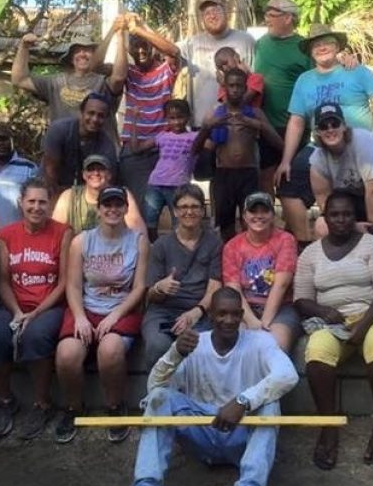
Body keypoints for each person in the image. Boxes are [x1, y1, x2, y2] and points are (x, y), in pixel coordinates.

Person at [130, 287, 299, 486]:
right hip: (202, 432)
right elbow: (154, 389)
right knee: (159, 399)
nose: (229, 320)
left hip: (241, 435)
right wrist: (175, 354)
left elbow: (288, 375)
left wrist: (242, 401)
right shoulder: (193, 344)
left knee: (270, 405)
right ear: (210, 315)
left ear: (241, 315)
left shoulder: (261, 342)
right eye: (221, 313)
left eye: (235, 314)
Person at [294, 190, 373, 470]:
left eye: (347, 214)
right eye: (335, 215)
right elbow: (301, 299)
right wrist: (324, 312)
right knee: (316, 355)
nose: (341, 220)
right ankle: (328, 428)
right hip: (332, 320)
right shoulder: (310, 253)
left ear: (356, 217)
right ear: (325, 218)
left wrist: (363, 325)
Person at [275, 24, 373, 250]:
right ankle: (306, 243)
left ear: (338, 46)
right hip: (319, 146)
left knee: (369, 189)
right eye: (317, 45)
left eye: (328, 43)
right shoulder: (304, 80)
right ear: (310, 51)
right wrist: (285, 160)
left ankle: (372, 237)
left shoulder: (355, 71)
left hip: (357, 148)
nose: (322, 48)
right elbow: (297, 120)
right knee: (287, 183)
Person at [54, 186, 150, 444]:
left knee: (109, 351)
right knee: (67, 355)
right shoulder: (82, 241)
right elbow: (73, 286)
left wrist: (115, 315)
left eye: (118, 204)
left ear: (126, 208)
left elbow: (140, 287)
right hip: (86, 307)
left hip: (122, 308)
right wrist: (81, 317)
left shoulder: (138, 241)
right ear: (98, 209)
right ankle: (74, 407)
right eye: (107, 204)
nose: (113, 209)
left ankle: (115, 406)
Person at [0, 178, 72, 440]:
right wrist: (17, 312)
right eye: (31, 201)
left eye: (42, 202)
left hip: (50, 305)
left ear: (50, 204)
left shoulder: (63, 232)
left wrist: (35, 313)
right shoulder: (6, 235)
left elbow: (65, 281)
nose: (37, 207)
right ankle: (6, 400)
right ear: (21, 203)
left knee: (36, 335)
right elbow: (2, 280)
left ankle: (43, 403)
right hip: (14, 306)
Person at [193, 68, 283, 242]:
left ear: (245, 88)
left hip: (248, 173)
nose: (235, 89)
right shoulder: (215, 113)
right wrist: (207, 128)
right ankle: (229, 258)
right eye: (231, 85)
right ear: (224, 87)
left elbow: (279, 144)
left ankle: (248, 257)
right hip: (223, 175)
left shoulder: (254, 113)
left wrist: (257, 125)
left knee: (250, 220)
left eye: (239, 86)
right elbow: (195, 150)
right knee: (225, 224)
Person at [308, 102, 373, 246]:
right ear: (317, 132)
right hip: (358, 192)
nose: (330, 129)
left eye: (334, 124)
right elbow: (325, 202)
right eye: (323, 126)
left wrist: (371, 229)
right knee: (322, 226)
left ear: (344, 126)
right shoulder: (317, 160)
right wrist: (352, 226)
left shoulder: (363, 143)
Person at [142, 184, 223, 367]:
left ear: (203, 211)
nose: (189, 212)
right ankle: (158, 395)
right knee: (157, 345)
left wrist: (196, 312)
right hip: (163, 312)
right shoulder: (161, 245)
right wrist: (160, 288)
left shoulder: (214, 243)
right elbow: (150, 295)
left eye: (195, 207)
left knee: (202, 348)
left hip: (200, 311)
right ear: (175, 212)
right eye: (184, 207)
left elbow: (215, 287)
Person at [112, 13, 180, 211]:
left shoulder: (166, 70)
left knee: (177, 208)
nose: (140, 50)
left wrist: (139, 28)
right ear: (129, 49)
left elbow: (174, 51)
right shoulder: (128, 72)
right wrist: (118, 35)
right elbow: (99, 67)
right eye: (135, 45)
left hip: (165, 149)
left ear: (152, 47)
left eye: (145, 45)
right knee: (136, 209)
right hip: (134, 150)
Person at [222, 192, 299, 351]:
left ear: (272, 214)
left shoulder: (286, 240)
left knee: (273, 346)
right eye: (253, 211)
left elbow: (282, 284)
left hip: (280, 308)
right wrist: (250, 321)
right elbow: (233, 288)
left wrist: (263, 323)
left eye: (264, 211)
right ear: (244, 216)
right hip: (244, 308)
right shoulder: (232, 246)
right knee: (234, 345)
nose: (259, 216)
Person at [254, 0, 311, 194]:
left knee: (291, 179)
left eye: (271, 15)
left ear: (288, 18)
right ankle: (266, 221)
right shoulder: (260, 44)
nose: (267, 19)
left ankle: (290, 224)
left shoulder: (305, 47)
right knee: (265, 176)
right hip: (265, 123)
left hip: (295, 125)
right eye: (266, 14)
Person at [10, 32, 122, 126]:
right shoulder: (55, 82)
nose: (82, 54)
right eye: (77, 51)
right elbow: (18, 79)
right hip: (63, 149)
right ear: (71, 58)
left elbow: (119, 78)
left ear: (95, 55)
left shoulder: (104, 82)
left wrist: (121, 36)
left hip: (98, 150)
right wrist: (24, 47)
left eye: (87, 50)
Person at [179, 0, 256, 129]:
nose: (212, 16)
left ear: (225, 12)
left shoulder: (246, 40)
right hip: (201, 123)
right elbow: (170, 51)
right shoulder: (192, 43)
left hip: (238, 122)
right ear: (202, 19)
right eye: (207, 13)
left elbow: (254, 78)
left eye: (216, 10)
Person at [131, 99, 199, 241]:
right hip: (156, 184)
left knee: (178, 222)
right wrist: (134, 121)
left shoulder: (194, 137)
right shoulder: (162, 136)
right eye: (172, 118)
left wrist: (209, 126)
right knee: (150, 220)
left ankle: (174, 250)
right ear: (166, 118)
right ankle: (155, 248)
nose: (176, 122)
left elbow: (210, 145)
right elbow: (136, 148)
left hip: (179, 186)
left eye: (180, 117)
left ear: (188, 117)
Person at [42, 92, 119, 192]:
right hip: (51, 185)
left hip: (85, 192)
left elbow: (106, 182)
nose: (95, 119)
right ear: (81, 112)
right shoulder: (59, 130)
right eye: (91, 113)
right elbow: (50, 171)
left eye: (100, 116)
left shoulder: (107, 147)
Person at [52, 154, 146, 234]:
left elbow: (138, 232)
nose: (96, 173)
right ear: (84, 175)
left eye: (101, 169)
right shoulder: (69, 196)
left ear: (109, 175)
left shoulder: (122, 194)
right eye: (91, 169)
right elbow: (55, 233)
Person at [0, 124, 39, 227]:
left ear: (12, 141)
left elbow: (37, 203)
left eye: (4, 139)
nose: (0, 144)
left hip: (20, 235)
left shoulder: (29, 168)